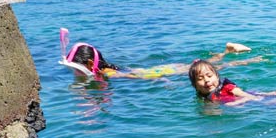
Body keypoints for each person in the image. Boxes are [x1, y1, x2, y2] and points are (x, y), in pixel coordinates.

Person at [59, 29, 259, 79]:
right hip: (158, 69)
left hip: (159, 73)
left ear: (87, 64)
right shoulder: (108, 67)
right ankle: (227, 50)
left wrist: (159, 80)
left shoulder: (108, 73)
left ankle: (251, 60)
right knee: (202, 65)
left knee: (210, 69)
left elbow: (132, 76)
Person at [188, 60, 276, 103]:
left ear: (217, 77)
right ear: (194, 85)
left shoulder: (227, 87)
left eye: (209, 76)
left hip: (255, 99)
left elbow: (245, 96)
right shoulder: (204, 96)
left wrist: (238, 103)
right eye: (200, 79)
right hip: (254, 101)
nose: (206, 81)